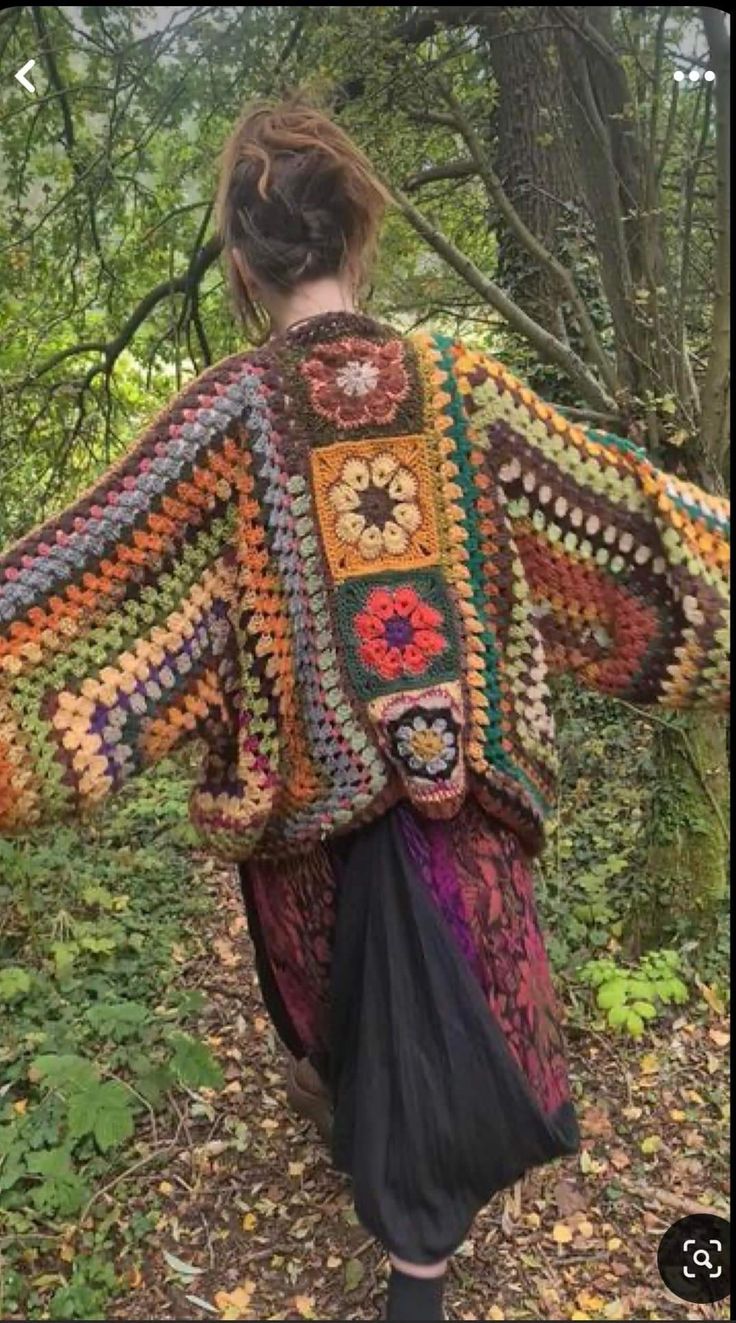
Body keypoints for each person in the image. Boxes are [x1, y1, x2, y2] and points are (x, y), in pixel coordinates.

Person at [0, 93, 729, 1322]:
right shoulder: (468, 392)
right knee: (440, 1046)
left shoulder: (215, 431)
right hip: (468, 819)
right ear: (361, 233)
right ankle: (418, 1265)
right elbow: (638, 546)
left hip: (308, 846)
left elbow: (63, 619)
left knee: (362, 1042)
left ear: (241, 259)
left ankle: (402, 1238)